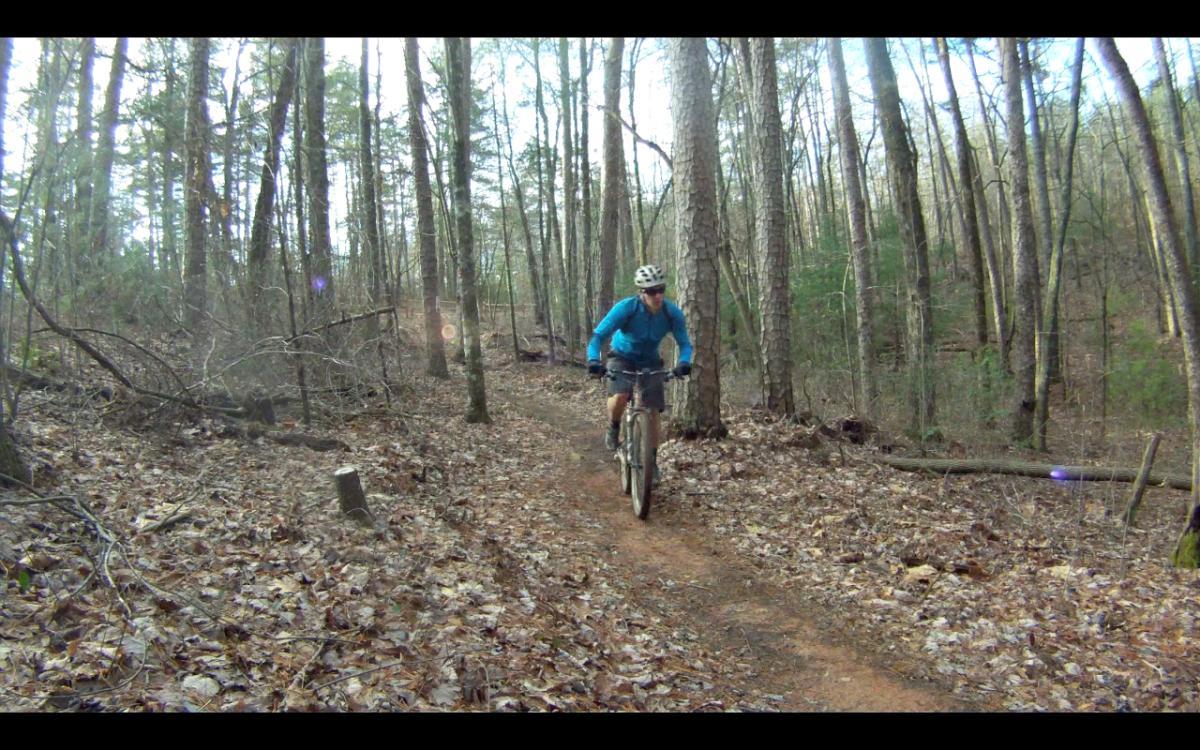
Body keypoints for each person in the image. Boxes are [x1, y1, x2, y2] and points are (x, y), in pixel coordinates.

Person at [587, 264, 693, 477]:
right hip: (622, 357)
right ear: (642, 293)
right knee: (621, 395)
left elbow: (685, 344)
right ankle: (614, 426)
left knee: (652, 411)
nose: (657, 295)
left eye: (661, 289)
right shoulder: (627, 308)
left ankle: (651, 463)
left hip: (650, 361)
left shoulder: (672, 313)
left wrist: (683, 362)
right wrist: (593, 360)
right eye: (651, 291)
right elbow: (598, 336)